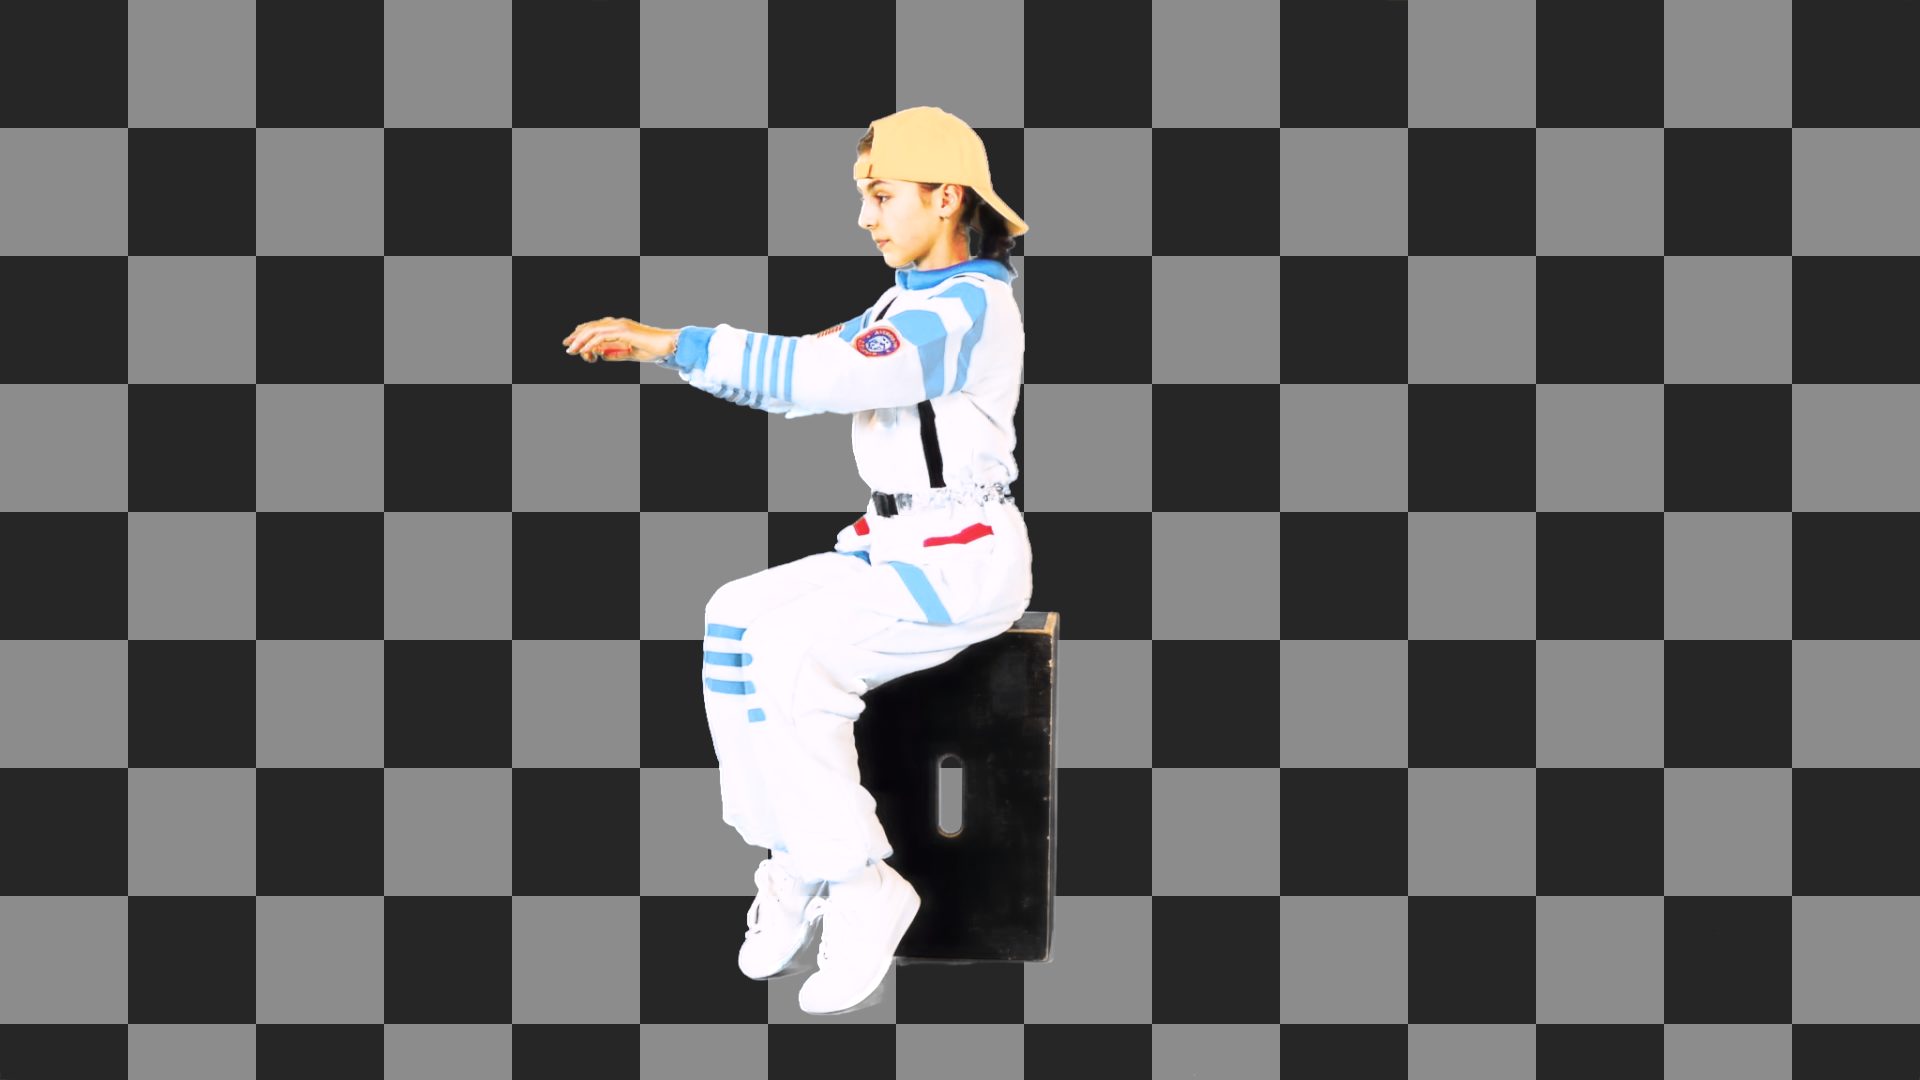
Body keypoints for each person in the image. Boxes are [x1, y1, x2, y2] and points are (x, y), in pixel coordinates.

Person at [563, 106, 1031, 1016]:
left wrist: (673, 341)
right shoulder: (906, 303)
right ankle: (794, 858)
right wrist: (675, 357)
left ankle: (861, 884)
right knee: (733, 614)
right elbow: (802, 373)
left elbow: (826, 377)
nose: (866, 216)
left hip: (960, 560)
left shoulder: (969, 305)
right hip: (892, 543)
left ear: (947, 198)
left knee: (790, 655)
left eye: (882, 195)